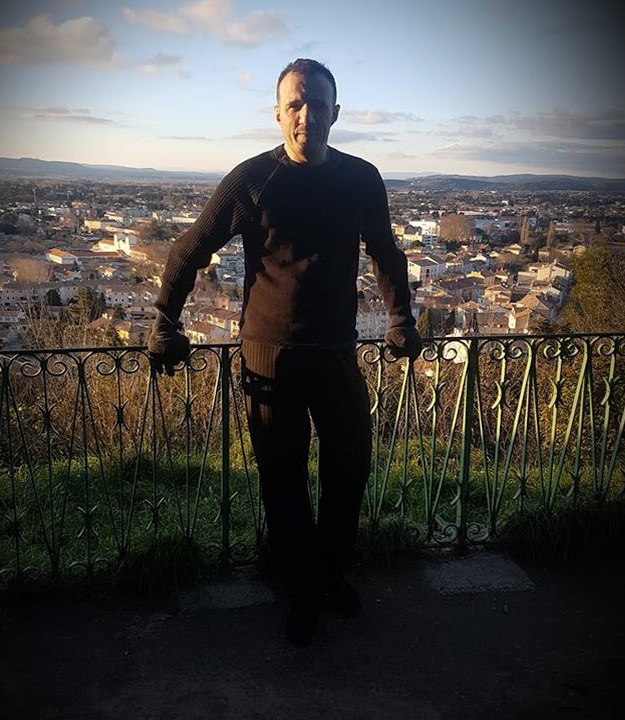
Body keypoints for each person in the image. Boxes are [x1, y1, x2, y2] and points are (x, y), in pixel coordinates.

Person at [147, 58, 421, 645]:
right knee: (283, 478)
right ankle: (301, 586)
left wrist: (401, 317)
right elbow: (190, 248)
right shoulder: (252, 180)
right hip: (268, 354)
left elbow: (386, 253)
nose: (306, 115)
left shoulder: (361, 179)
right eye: (295, 104)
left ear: (335, 113)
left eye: (317, 104)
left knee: (349, 466)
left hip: (335, 349)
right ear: (277, 113)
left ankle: (330, 573)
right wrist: (164, 321)